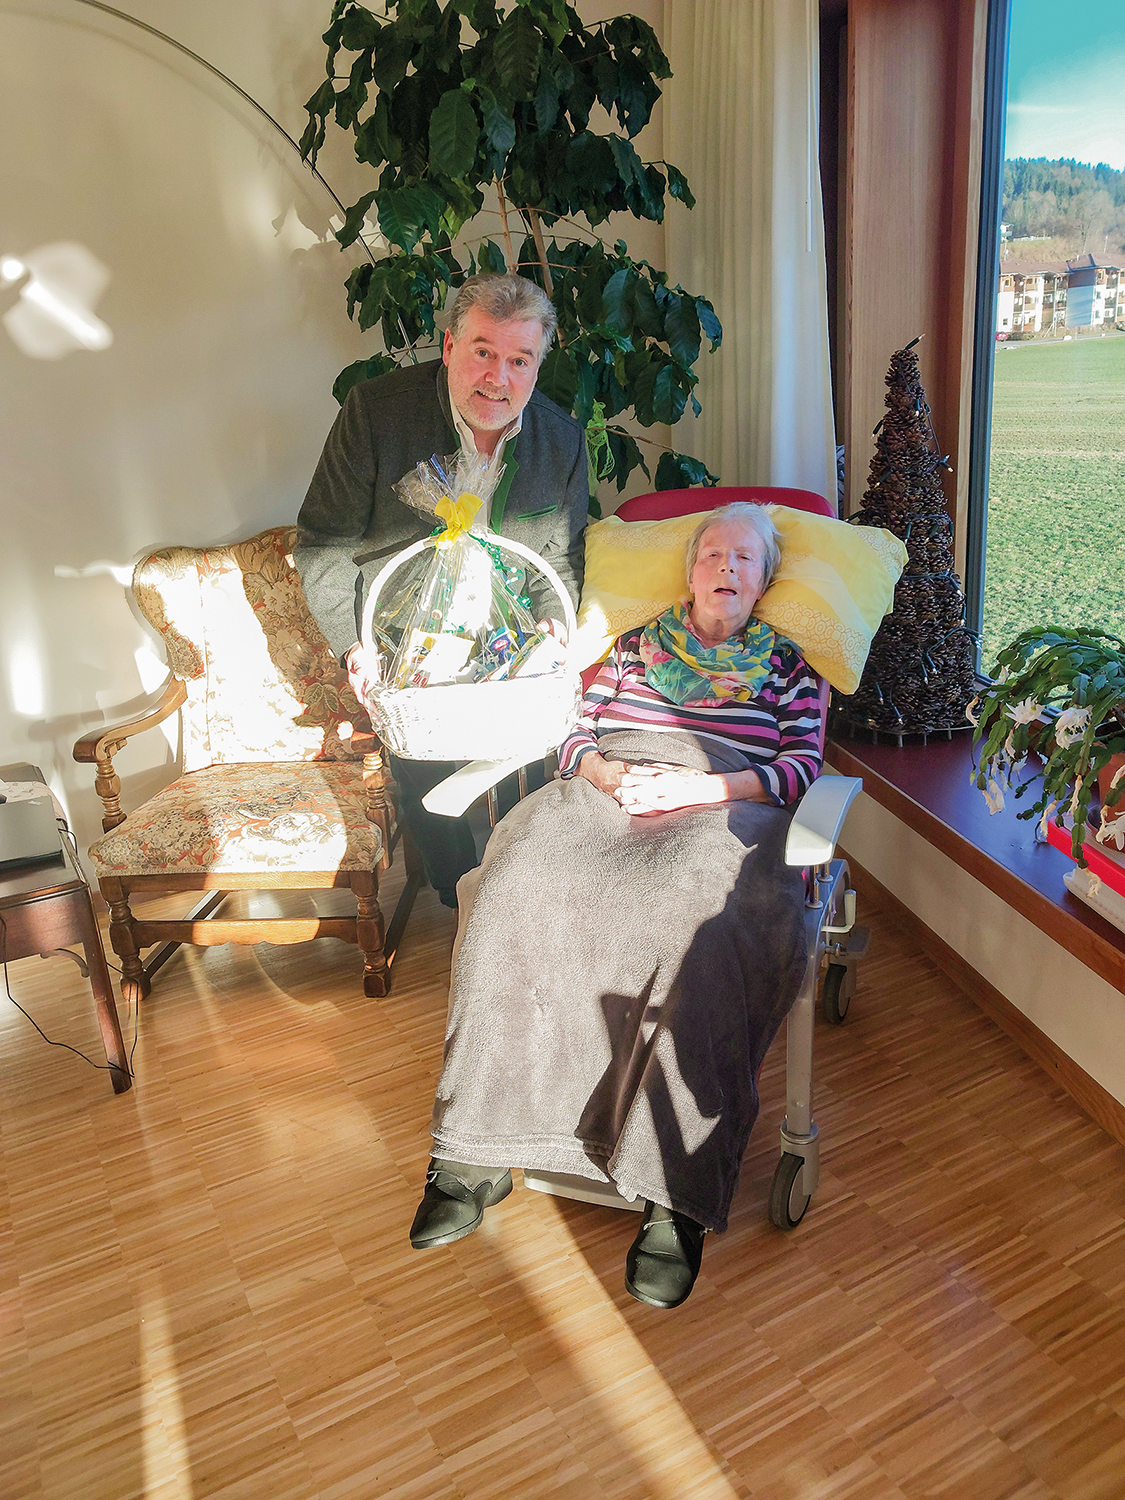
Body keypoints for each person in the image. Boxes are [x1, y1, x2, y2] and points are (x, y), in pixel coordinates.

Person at [408, 503, 824, 1309]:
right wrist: (603, 775)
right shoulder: (633, 647)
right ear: (689, 571)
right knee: (515, 886)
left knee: (693, 922)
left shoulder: (788, 668)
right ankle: (472, 1151)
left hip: (724, 802)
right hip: (609, 784)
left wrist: (701, 789)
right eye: (711, 553)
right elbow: (572, 730)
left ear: (765, 580)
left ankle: (675, 1193)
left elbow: (800, 766)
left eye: (743, 557)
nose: (725, 566)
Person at [294, 273, 589, 906]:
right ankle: (459, 896)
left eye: (520, 360)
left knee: (530, 775)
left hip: (512, 641)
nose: (498, 378)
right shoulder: (377, 413)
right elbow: (322, 542)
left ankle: (519, 896)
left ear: (538, 364)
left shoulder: (561, 440)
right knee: (428, 777)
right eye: (483, 351)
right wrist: (356, 646)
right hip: (406, 640)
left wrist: (552, 623)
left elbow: (560, 558)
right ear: (450, 345)